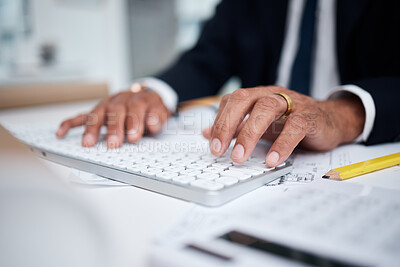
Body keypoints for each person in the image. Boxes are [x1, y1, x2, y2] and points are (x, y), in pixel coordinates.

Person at [56, 0, 400, 167]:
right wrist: (151, 92)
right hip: (257, 159)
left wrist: (347, 112)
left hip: (367, 162)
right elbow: (207, 57)